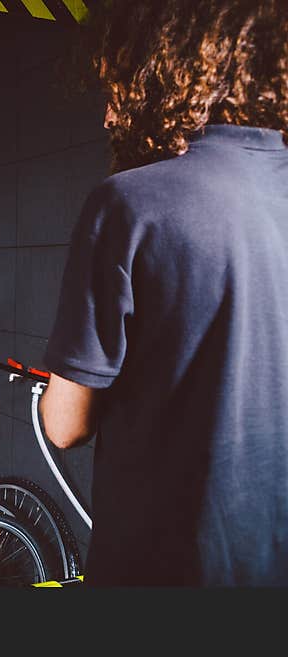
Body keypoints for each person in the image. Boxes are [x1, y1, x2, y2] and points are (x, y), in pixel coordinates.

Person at [39, 0, 288, 586]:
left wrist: (61, 387)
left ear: (157, 67)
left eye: (116, 83)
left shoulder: (128, 204)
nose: (108, 114)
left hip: (163, 568)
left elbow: (65, 425)